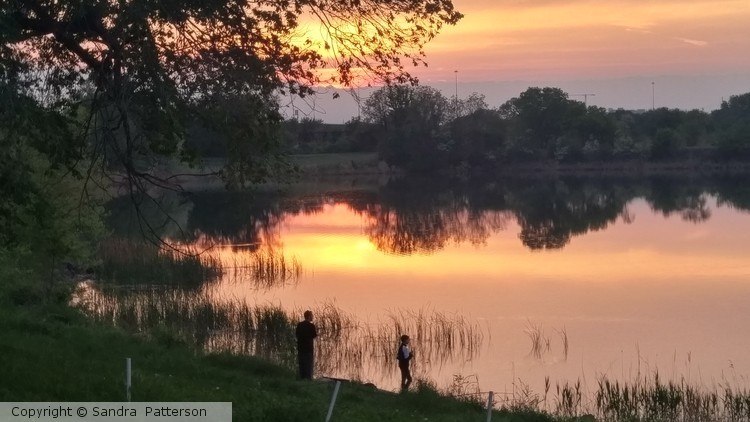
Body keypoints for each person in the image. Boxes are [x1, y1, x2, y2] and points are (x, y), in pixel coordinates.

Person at [295, 310, 317, 379]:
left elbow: (297, 334)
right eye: (312, 316)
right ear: (309, 316)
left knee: (302, 365)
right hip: (308, 349)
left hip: (300, 348)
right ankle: (308, 379)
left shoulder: (299, 324)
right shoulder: (311, 326)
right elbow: (314, 335)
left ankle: (302, 378)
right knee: (308, 365)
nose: (312, 317)